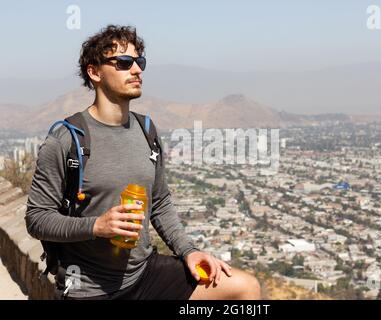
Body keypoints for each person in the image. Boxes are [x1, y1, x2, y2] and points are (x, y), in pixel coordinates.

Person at [25, 25, 261, 300]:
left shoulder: (146, 131)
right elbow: (37, 218)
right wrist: (95, 226)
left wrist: (189, 251)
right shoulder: (67, 139)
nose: (137, 70)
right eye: (124, 62)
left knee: (245, 288)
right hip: (88, 288)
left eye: (140, 62)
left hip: (145, 275)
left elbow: (159, 202)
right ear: (95, 72)